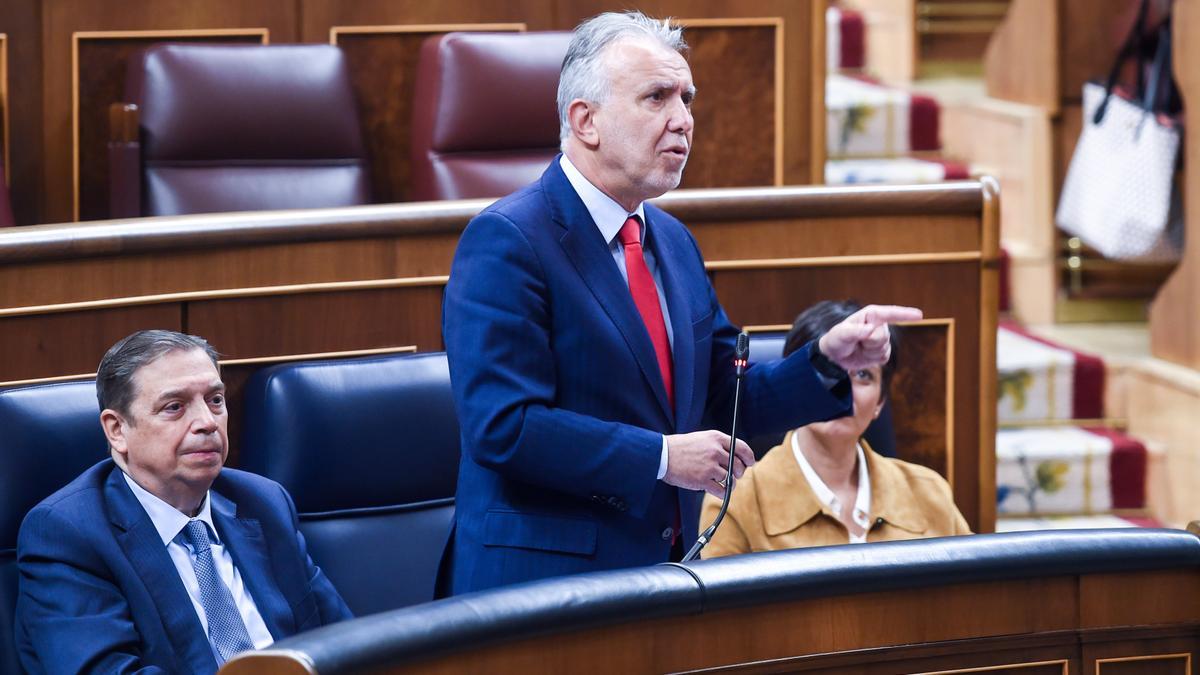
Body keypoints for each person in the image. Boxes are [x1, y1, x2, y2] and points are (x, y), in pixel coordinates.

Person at [441, 10, 922, 594]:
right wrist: (662, 459)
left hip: (658, 578)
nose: (683, 121)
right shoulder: (509, 240)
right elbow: (505, 428)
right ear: (585, 120)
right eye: (656, 98)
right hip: (540, 587)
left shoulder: (672, 241)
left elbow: (724, 395)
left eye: (687, 99)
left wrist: (825, 360)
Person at [15, 330, 351, 674]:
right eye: (174, 407)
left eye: (215, 400)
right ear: (117, 430)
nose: (207, 422)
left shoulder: (264, 503)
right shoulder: (69, 534)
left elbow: (345, 643)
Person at [700, 301, 971, 558]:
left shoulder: (929, 492)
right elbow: (722, 608)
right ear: (792, 382)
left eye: (863, 375)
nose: (843, 390)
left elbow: (974, 597)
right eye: (834, 371)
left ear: (880, 401)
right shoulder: (735, 500)